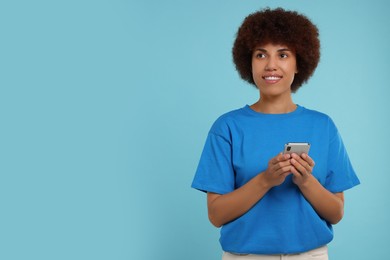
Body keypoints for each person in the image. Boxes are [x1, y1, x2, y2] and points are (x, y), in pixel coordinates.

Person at [191, 7, 360, 260]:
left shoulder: (323, 126)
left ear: (298, 62)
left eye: (282, 54)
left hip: (310, 256)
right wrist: (266, 179)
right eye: (261, 55)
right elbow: (216, 215)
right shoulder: (227, 127)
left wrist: (305, 181)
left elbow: (336, 213)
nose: (271, 65)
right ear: (248, 62)